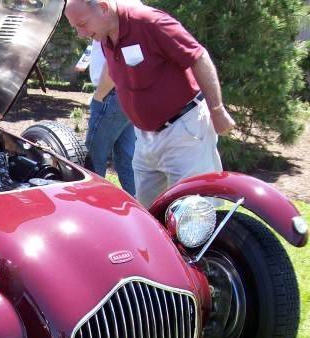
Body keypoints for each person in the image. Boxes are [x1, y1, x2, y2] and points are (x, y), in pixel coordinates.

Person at [65, 0, 236, 207]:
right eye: (76, 28)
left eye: (82, 24)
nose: (81, 34)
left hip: (183, 132)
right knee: (149, 214)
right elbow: (115, 68)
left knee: (194, 214)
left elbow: (199, 57)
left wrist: (217, 109)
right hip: (145, 139)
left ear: (103, 7)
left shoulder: (150, 22)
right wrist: (98, 98)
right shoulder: (105, 34)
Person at [77, 39, 136, 195]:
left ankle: (93, 202)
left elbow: (115, 61)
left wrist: (99, 97)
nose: (80, 32)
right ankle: (140, 204)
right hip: (126, 95)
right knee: (126, 158)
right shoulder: (119, 28)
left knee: (94, 158)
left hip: (110, 95)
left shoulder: (108, 29)